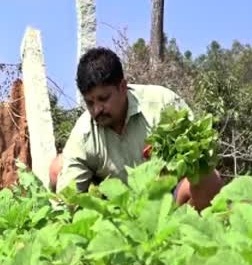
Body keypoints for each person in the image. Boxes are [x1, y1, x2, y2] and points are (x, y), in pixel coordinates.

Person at [50, 47, 223, 210]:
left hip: (167, 200)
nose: (97, 109)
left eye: (103, 98)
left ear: (123, 87)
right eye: (89, 102)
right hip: (116, 208)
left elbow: (200, 157)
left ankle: (188, 235)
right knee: (58, 168)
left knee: (208, 178)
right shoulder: (84, 133)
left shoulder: (163, 105)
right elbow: (67, 199)